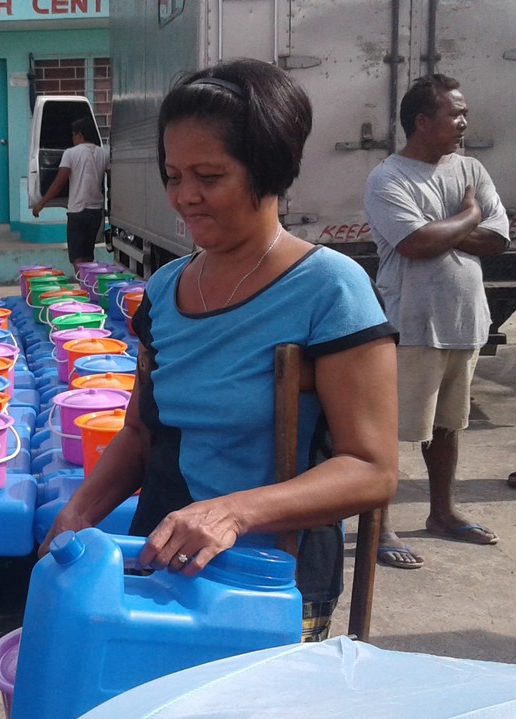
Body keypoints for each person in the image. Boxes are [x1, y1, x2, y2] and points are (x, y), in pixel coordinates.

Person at [39, 59, 398, 643]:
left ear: (269, 171)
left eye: (209, 175)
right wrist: (78, 513)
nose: (185, 197)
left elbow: (371, 470)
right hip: (163, 565)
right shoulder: (164, 289)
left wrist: (232, 511)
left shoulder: (330, 288)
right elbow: (140, 433)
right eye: (174, 175)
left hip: (270, 579)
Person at [364, 74, 510, 569]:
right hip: (412, 322)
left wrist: (454, 225)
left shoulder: (470, 168)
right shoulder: (389, 178)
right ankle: (380, 527)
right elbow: (415, 245)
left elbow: (499, 239)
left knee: (448, 426)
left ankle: (442, 513)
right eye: (455, 113)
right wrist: (469, 216)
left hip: (464, 321)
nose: (464, 121)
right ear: (423, 122)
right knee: (390, 429)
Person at [31, 118, 108, 269]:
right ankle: (89, 286)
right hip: (96, 211)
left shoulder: (70, 153)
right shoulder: (103, 153)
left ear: (79, 135)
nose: (72, 139)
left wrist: (41, 203)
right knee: (88, 255)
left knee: (77, 257)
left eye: (73, 135)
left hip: (77, 212)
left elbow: (59, 183)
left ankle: (83, 287)